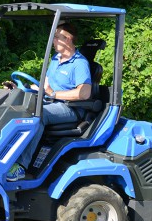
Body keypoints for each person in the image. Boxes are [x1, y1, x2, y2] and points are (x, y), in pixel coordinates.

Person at [7, 23, 92, 181]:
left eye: (56, 37)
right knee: (19, 107)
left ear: (67, 39)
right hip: (51, 102)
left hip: (70, 108)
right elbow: (44, 86)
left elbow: (84, 93)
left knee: (39, 113)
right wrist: (20, 88)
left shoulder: (79, 63)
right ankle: (5, 156)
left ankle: (20, 166)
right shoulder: (55, 59)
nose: (53, 40)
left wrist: (54, 94)